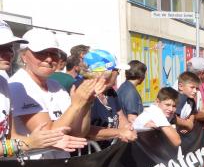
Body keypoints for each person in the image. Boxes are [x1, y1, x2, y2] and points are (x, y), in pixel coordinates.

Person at [9, 28, 103, 159]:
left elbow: (78, 133)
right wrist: (76, 105)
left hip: (58, 165)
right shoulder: (19, 86)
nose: (49, 59)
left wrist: (86, 102)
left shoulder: (56, 86)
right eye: (41, 53)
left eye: (54, 53)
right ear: (23, 56)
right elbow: (49, 137)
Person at [81, 49, 137, 148]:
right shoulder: (82, 91)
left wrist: (128, 128)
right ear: (106, 73)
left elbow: (120, 116)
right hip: (89, 154)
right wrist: (119, 132)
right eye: (117, 71)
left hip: (108, 151)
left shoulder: (110, 92)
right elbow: (83, 130)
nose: (118, 74)